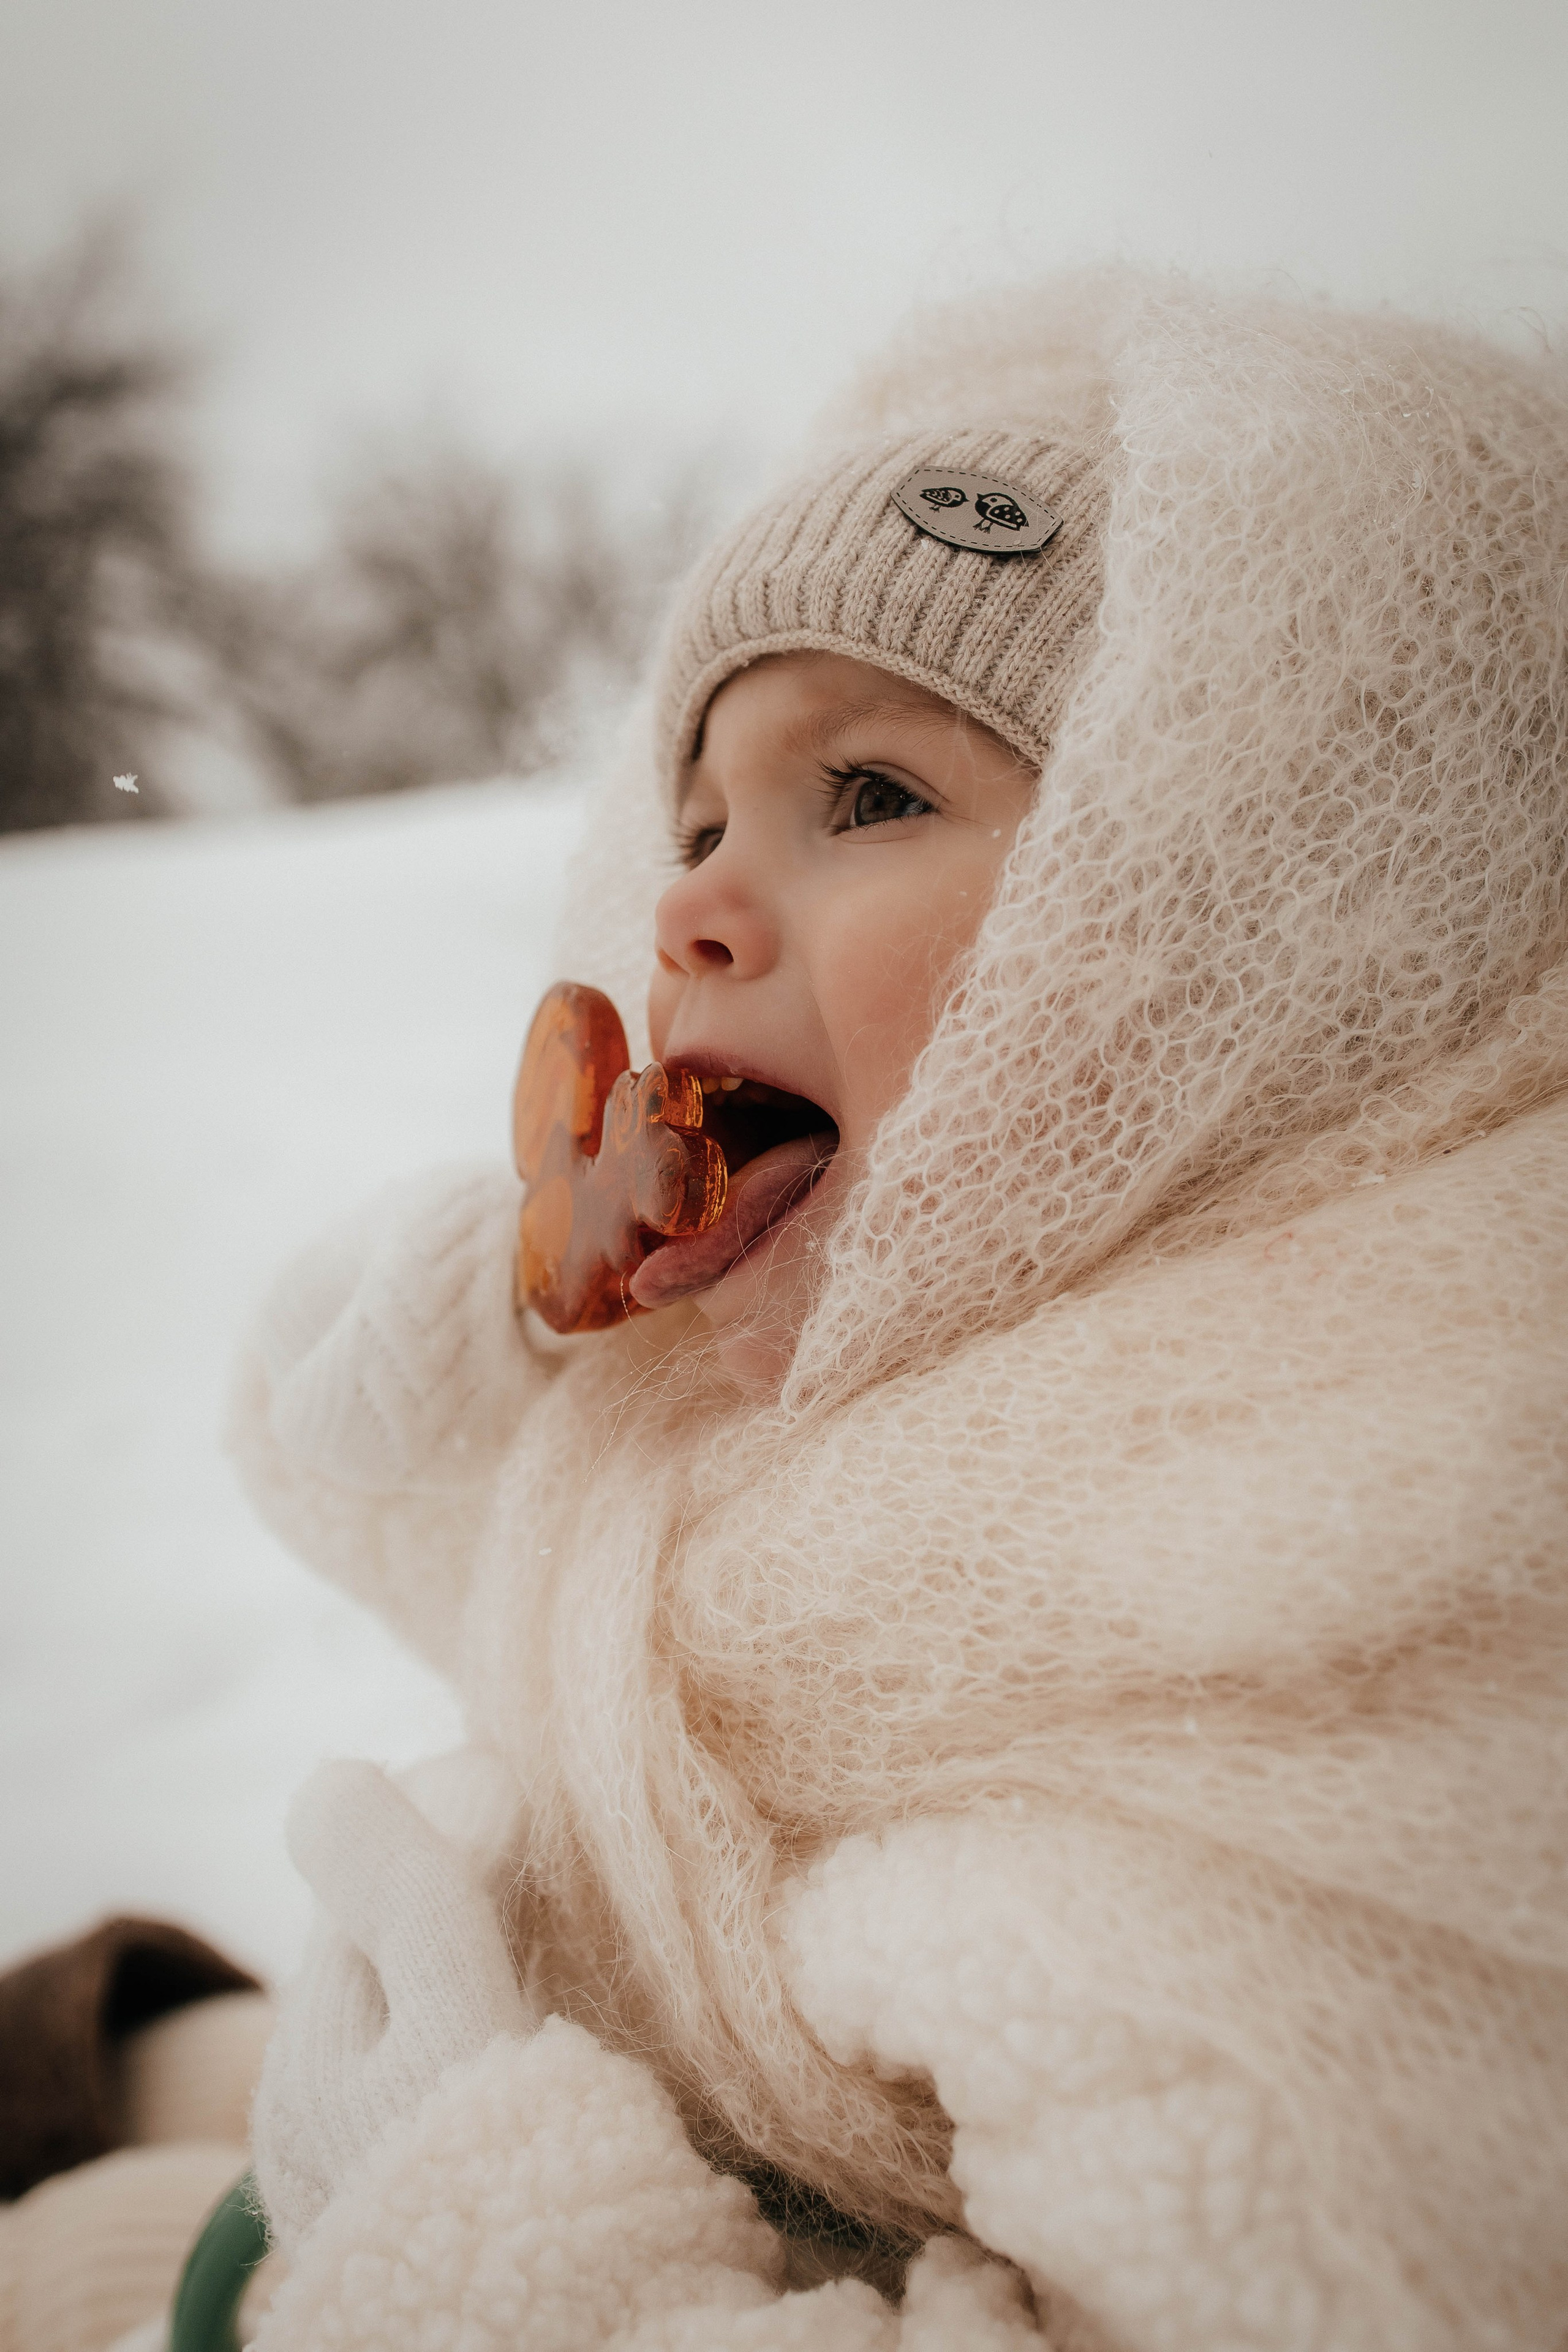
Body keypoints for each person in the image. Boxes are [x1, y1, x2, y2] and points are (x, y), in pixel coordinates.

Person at [191, 276, 1568, 2348]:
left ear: (1239, 936)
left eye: (873, 798)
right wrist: (524, 1294)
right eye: (696, 822)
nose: (685, 906)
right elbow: (322, 1426)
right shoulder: (765, 1402)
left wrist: (467, 2245)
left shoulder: (1347, 1555)